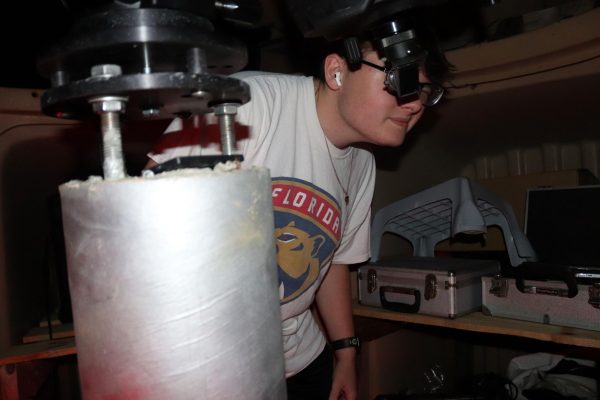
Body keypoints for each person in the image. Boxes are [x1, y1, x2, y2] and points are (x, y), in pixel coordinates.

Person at [145, 13, 451, 400]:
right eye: (399, 81)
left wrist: (345, 352)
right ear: (337, 72)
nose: (413, 105)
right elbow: (146, 221)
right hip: (213, 364)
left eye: (424, 91)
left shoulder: (362, 163)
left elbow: (333, 261)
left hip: (303, 358)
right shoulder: (249, 103)